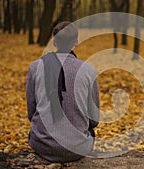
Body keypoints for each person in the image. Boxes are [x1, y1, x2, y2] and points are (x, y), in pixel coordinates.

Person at [26, 21, 99, 163]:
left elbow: (31, 112)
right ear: (76, 42)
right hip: (78, 148)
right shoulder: (88, 70)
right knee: (90, 132)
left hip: (43, 145)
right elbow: (94, 119)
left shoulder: (35, 67)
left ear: (54, 42)